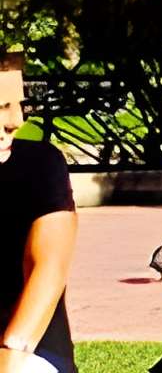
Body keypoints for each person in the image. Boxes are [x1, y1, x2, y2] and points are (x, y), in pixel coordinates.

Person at [0, 56, 78, 373]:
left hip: (25, 354)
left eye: (17, 105)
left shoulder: (40, 166)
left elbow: (48, 269)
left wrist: (9, 354)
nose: (16, 121)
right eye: (1, 106)